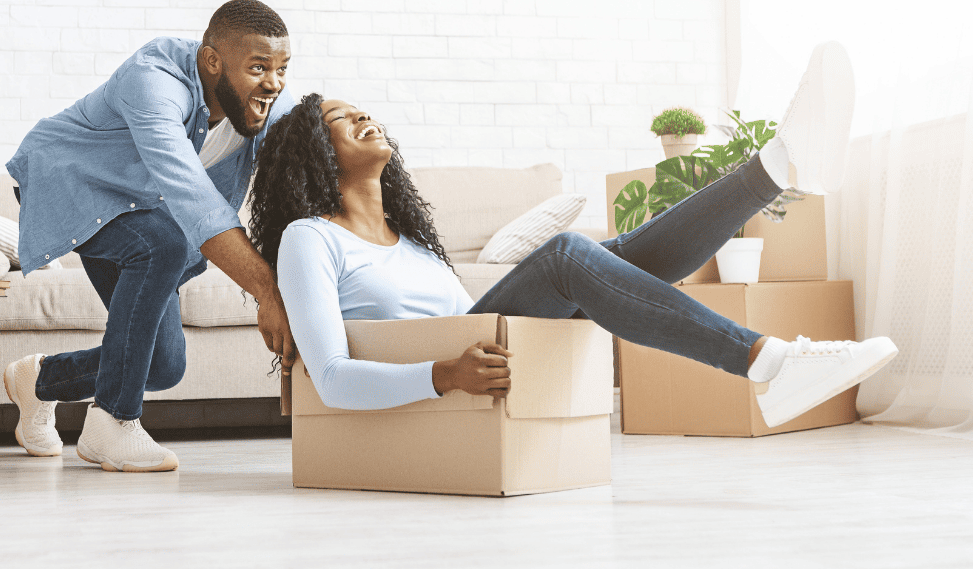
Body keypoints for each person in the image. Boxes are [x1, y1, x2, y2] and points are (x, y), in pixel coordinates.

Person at [249, 42, 898, 426]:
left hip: (489, 360)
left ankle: (779, 167)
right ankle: (768, 359)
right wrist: (444, 373)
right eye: (339, 118)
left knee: (604, 257)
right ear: (315, 153)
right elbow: (330, 378)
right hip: (453, 384)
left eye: (362, 108)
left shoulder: (412, 239)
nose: (363, 116)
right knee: (568, 256)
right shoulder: (311, 238)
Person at [1, 0, 299, 472]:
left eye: (282, 68)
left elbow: (306, 132)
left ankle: (38, 380)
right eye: (259, 67)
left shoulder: (257, 105)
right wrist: (267, 291)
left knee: (162, 366)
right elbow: (194, 200)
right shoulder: (154, 82)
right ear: (212, 61)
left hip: (136, 206)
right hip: (70, 181)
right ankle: (112, 424)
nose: (274, 83)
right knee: (164, 243)